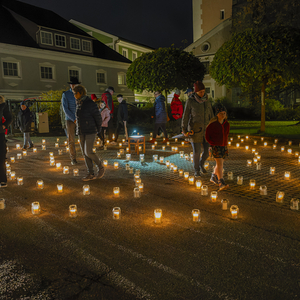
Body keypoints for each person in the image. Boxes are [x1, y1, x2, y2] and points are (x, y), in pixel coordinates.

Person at [182, 81, 214, 177]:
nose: (202, 93)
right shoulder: (190, 101)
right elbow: (186, 116)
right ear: (196, 92)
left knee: (207, 152)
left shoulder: (207, 101)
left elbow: (211, 115)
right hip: (195, 130)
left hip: (206, 130)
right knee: (197, 151)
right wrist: (184, 129)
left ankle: (201, 164)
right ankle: (196, 169)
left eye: (203, 91)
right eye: (200, 91)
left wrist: (213, 126)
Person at [73, 84, 104, 181]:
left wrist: (98, 129)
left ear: (79, 93)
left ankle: (101, 167)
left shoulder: (89, 103)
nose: (74, 95)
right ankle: (90, 173)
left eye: (75, 93)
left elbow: (98, 117)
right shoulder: (78, 103)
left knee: (88, 151)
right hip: (81, 131)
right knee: (84, 153)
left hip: (90, 130)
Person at [205, 104, 230, 190]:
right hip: (215, 146)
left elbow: (226, 134)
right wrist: (212, 143)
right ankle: (221, 182)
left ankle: (213, 177)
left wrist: (225, 144)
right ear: (217, 114)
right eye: (221, 113)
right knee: (220, 164)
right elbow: (207, 136)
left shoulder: (227, 124)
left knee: (219, 164)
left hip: (223, 146)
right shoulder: (212, 125)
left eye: (224, 113)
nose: (223, 115)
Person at [62, 76, 80, 165]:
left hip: (80, 118)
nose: (73, 85)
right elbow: (65, 109)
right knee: (71, 139)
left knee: (83, 138)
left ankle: (86, 155)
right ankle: (73, 158)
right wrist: (74, 119)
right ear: (70, 85)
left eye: (75, 84)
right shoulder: (65, 94)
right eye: (72, 84)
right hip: (70, 119)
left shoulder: (80, 93)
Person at [0, 95, 12, 188]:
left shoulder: (2, 105)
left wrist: (5, 125)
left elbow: (9, 117)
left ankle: (2, 179)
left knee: (1, 156)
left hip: (0, 133)